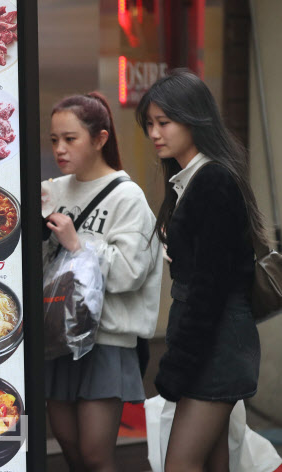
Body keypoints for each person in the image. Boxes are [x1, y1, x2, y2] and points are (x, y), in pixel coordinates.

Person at [136, 69, 266, 472]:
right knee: (213, 465)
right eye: (150, 124)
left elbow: (210, 287)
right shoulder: (192, 180)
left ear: (194, 119)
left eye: (165, 122)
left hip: (217, 343)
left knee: (181, 464)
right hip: (212, 341)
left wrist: (176, 365)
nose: (155, 133)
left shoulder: (212, 181)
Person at [43, 92, 163, 472]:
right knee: (71, 453)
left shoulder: (128, 197)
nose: (60, 149)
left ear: (100, 139)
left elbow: (131, 272)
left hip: (106, 341)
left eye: (70, 139)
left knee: (96, 457)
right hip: (56, 337)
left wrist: (78, 244)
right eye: (54, 140)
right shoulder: (52, 192)